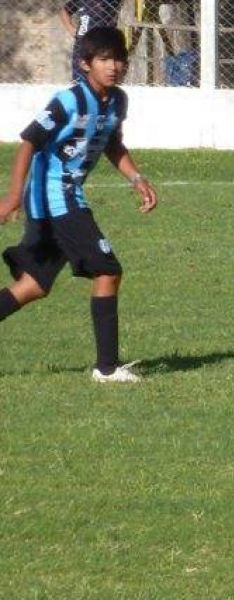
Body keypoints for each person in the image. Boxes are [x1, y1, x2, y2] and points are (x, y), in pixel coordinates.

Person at [0, 27, 158, 383]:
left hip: (63, 200)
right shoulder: (69, 100)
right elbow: (28, 141)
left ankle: (107, 366)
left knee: (33, 286)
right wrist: (12, 196)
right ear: (86, 64)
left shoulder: (118, 101)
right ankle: (107, 368)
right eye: (104, 59)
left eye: (119, 59)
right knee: (108, 270)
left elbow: (111, 144)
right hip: (56, 198)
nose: (113, 66)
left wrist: (136, 178)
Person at [58, 0, 124, 82]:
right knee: (79, 78)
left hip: (103, 43)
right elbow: (64, 11)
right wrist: (71, 29)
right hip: (82, 43)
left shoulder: (110, 2)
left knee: (100, 78)